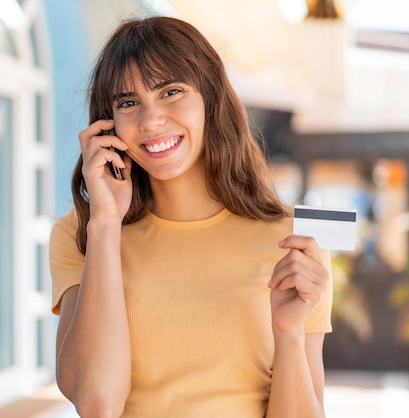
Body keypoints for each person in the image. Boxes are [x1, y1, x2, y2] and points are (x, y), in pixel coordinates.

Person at [49, 15, 333, 418]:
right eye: (129, 103)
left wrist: (288, 335)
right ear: (107, 126)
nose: (151, 121)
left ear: (210, 98)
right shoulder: (81, 235)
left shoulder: (295, 243)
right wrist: (107, 223)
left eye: (171, 91)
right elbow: (97, 405)